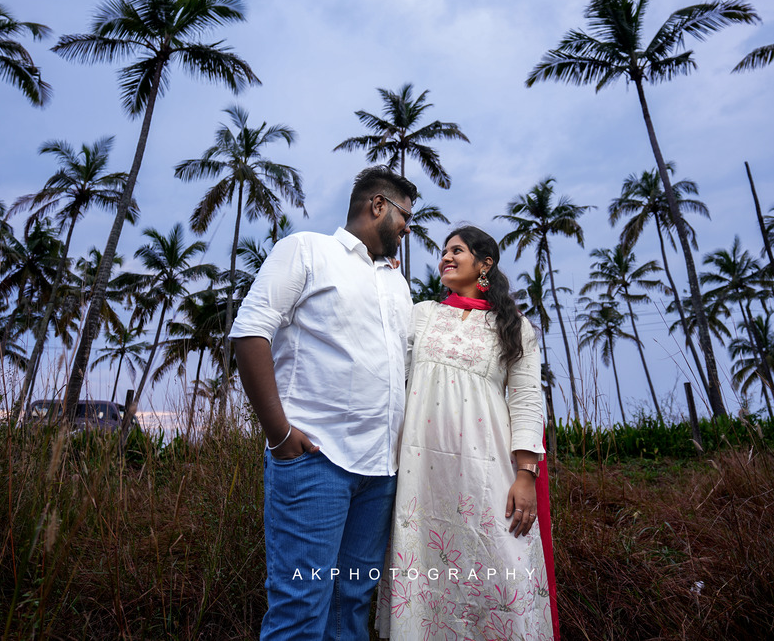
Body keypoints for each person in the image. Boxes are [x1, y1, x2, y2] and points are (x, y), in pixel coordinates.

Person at [231, 165, 418, 640]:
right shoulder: (307, 250)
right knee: (301, 608)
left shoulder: (397, 282)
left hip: (381, 473)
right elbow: (251, 331)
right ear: (378, 205)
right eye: (405, 216)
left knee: (351, 606)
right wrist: (279, 435)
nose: (408, 228)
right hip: (317, 463)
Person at [376, 225, 559, 640]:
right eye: (443, 251)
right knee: (424, 570)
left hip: (488, 473)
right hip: (421, 476)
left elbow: (528, 401)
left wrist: (525, 474)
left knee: (500, 565)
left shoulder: (514, 327)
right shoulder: (423, 315)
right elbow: (392, 370)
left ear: (485, 264)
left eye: (457, 250)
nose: (446, 257)